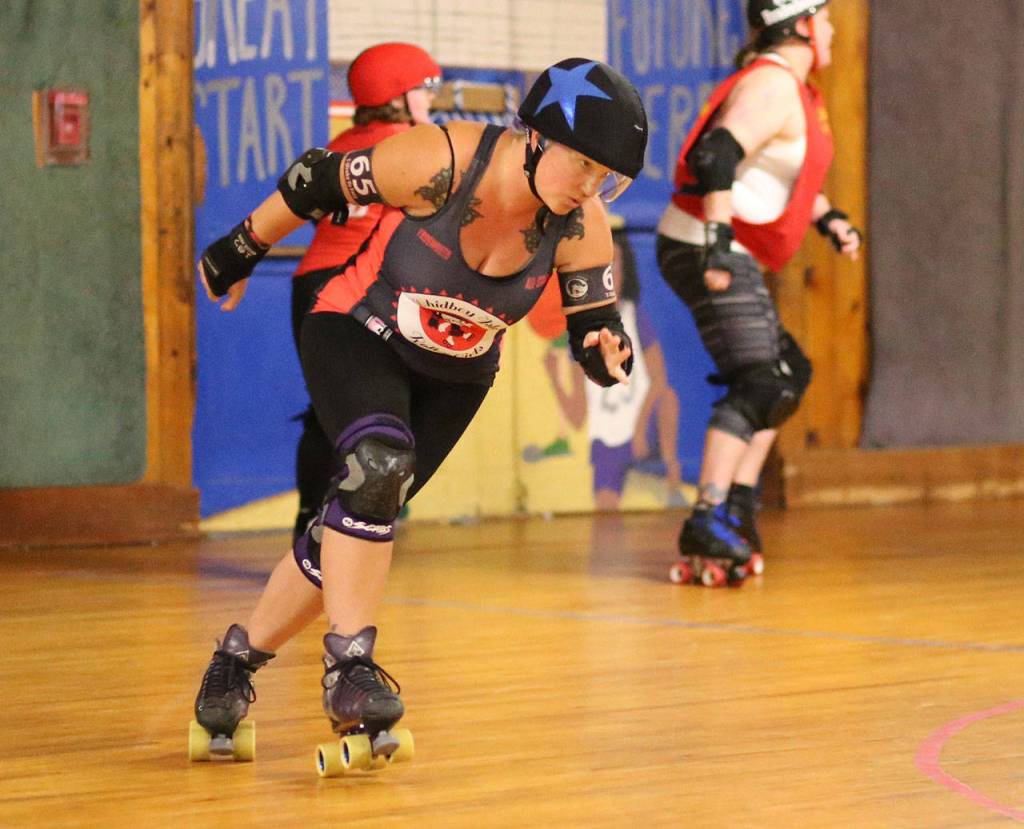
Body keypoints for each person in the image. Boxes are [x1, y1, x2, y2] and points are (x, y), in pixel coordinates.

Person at [189, 58, 648, 773]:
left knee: (352, 520)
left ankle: (235, 660)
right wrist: (240, 248)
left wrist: (602, 346)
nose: (590, 187)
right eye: (583, 164)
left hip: (458, 375)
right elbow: (316, 179)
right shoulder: (443, 158)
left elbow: (591, 316)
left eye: (607, 176)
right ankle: (350, 667)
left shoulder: (584, 223)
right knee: (376, 464)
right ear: (534, 138)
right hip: (356, 326)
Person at [656, 0, 862, 586]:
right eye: (824, 19)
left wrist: (829, 219)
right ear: (799, 24)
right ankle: (708, 515)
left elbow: (772, 169)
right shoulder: (773, 84)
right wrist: (719, 245)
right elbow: (717, 155)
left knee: (786, 373)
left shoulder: (789, 87)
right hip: (706, 244)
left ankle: (737, 504)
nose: (831, 29)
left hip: (714, 243)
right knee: (760, 380)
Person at [285, 42, 441, 542]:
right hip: (363, 286)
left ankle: (310, 522)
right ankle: (350, 522)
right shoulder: (413, 147)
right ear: (398, 94)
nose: (431, 100)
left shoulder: (342, 143)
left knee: (325, 410)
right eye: (424, 88)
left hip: (310, 283)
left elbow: (298, 202)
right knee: (381, 410)